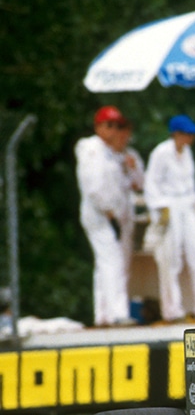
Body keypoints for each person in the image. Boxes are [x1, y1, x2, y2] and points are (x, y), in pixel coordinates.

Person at [143, 114, 195, 323]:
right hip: (168, 206)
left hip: (186, 206)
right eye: (187, 133)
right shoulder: (161, 153)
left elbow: (190, 182)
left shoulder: (187, 153)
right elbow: (152, 183)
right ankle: (171, 311)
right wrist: (159, 209)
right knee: (170, 259)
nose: (191, 138)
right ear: (176, 134)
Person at [74, 105, 135, 327]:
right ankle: (118, 313)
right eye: (109, 125)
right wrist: (109, 211)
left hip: (110, 214)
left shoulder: (111, 153)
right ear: (98, 126)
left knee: (104, 264)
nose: (113, 130)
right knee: (112, 261)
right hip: (99, 214)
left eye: (117, 126)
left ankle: (103, 314)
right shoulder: (92, 148)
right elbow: (94, 185)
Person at [110, 118, 144, 296]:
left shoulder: (132, 155)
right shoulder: (106, 155)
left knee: (124, 260)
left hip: (126, 210)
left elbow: (140, 184)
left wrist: (133, 168)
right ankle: (109, 308)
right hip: (110, 211)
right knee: (109, 259)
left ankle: (120, 305)